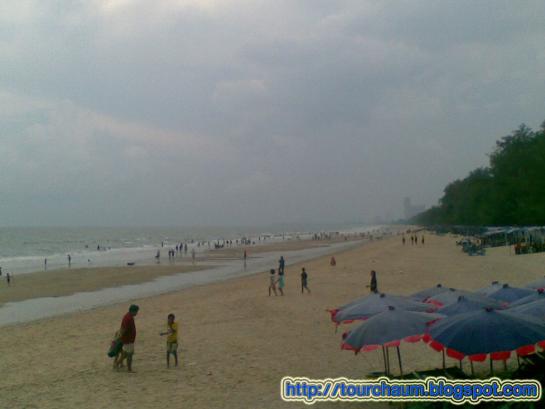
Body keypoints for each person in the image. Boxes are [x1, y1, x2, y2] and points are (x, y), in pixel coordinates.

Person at [118, 304, 139, 372]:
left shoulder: (128, 316)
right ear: (133, 311)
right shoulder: (128, 318)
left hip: (128, 339)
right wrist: (120, 336)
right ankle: (129, 369)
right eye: (136, 311)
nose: (137, 313)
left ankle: (117, 363)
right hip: (128, 340)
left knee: (125, 354)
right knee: (129, 354)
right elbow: (124, 329)